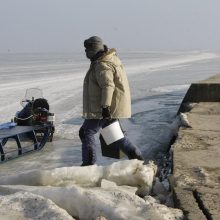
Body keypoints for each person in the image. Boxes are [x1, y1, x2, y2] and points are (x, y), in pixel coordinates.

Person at [79, 36, 144, 166]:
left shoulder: (102, 64)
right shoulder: (109, 59)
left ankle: (88, 165)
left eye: (87, 49)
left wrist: (105, 107)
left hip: (102, 107)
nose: (85, 52)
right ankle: (136, 157)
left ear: (93, 49)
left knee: (86, 132)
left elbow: (108, 86)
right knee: (114, 136)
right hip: (108, 106)